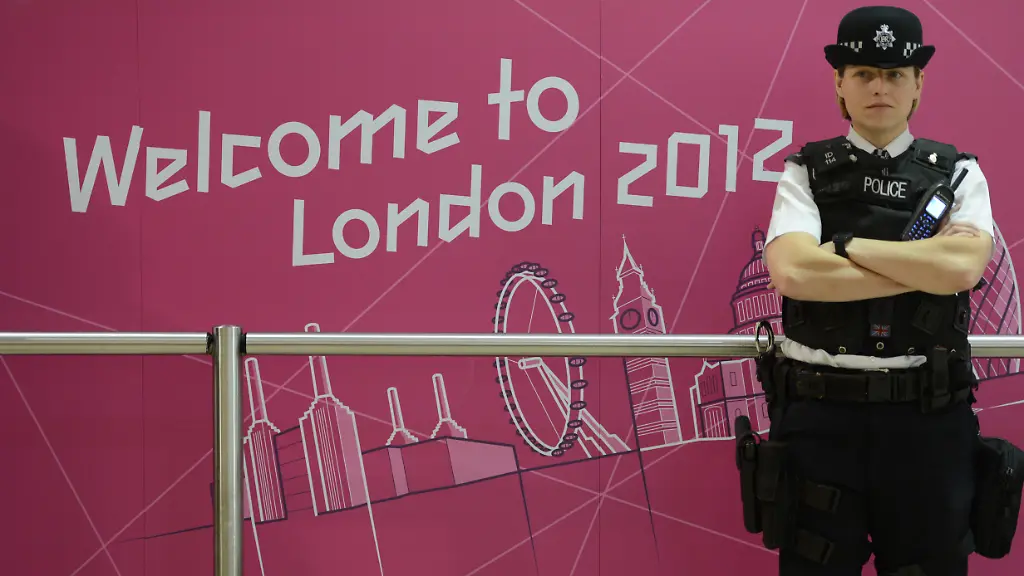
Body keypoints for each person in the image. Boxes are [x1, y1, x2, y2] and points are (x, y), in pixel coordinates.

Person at [755, 5, 996, 575]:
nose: (879, 87)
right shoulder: (806, 170)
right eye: (863, 73)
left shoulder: (959, 173)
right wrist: (921, 263)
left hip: (927, 420)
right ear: (840, 84)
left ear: (918, 84)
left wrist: (845, 247)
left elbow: (962, 267)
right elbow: (795, 273)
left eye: (894, 74)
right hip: (820, 419)